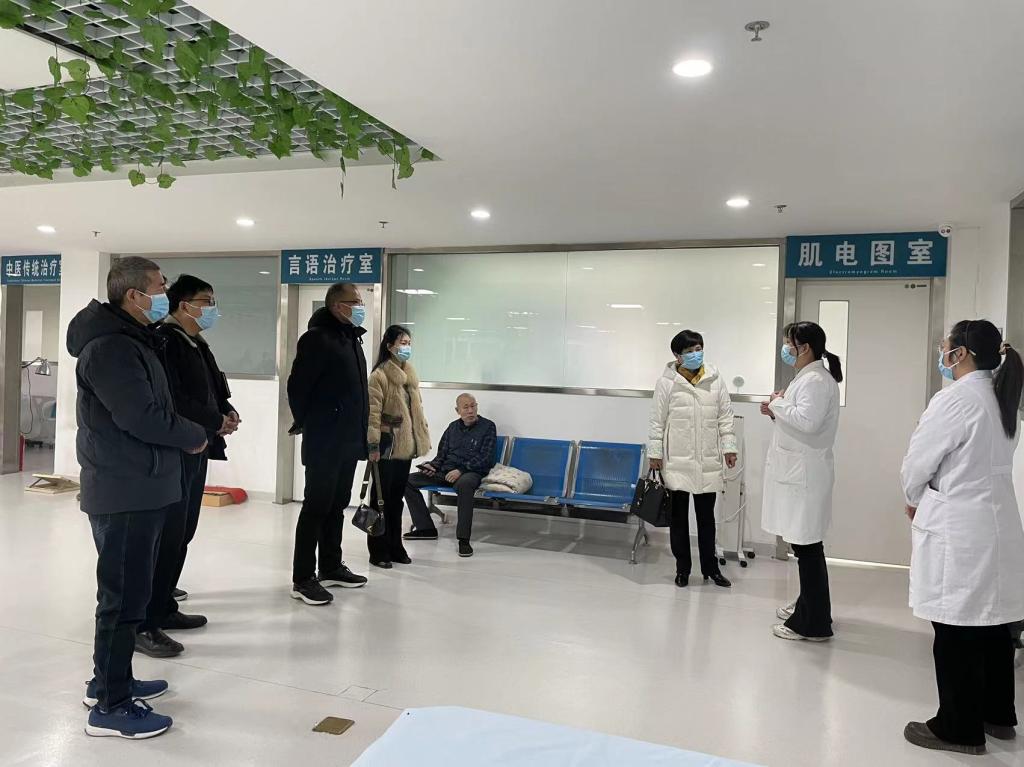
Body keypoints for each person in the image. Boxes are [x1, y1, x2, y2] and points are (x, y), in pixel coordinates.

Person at [67, 256, 208, 739]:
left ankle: (111, 681)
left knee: (130, 594)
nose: (165, 295)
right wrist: (194, 435)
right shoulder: (110, 348)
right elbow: (141, 416)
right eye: (160, 287)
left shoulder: (133, 340)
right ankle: (111, 707)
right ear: (134, 295)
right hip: (124, 489)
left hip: (140, 484)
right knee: (122, 599)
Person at [900, 320, 1024, 755]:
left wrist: (913, 497)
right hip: (996, 521)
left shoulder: (955, 399)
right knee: (992, 623)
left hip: (960, 525)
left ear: (962, 354)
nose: (942, 354)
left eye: (945, 347)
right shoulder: (1001, 396)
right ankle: (998, 716)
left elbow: (918, 462)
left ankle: (959, 727)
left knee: (955, 628)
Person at [131, 275, 240, 658]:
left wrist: (226, 412)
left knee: (182, 532)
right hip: (177, 447)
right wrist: (213, 419)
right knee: (167, 535)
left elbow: (210, 389)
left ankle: (164, 607)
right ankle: (144, 622)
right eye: (206, 301)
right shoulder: (168, 341)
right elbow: (174, 399)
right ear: (184, 305)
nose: (212, 308)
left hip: (198, 446)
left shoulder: (195, 343)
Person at [287, 282, 370, 606]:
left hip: (348, 440)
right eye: (355, 301)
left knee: (337, 505)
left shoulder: (351, 338)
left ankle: (331, 566)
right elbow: (298, 387)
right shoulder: (317, 339)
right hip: (325, 440)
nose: (360, 306)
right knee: (316, 507)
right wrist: (311, 422)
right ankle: (303, 578)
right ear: (338, 306)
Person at [760, 321, 842, 642]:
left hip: (805, 476)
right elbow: (799, 420)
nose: (785, 349)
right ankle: (810, 606)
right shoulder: (808, 377)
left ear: (804, 347)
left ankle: (813, 623)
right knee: (805, 547)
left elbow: (807, 421)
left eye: (788, 344)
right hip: (801, 473)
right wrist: (777, 410)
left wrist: (777, 402)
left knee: (808, 549)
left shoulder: (816, 381)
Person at [648, 330, 737, 588]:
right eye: (689, 351)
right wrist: (655, 454)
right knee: (678, 520)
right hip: (677, 460)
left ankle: (711, 569)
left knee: (707, 519)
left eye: (699, 349)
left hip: (707, 460)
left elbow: (725, 416)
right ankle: (683, 569)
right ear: (677, 356)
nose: (696, 354)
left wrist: (729, 448)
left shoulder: (715, 380)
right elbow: (657, 421)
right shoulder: (667, 383)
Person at [366, 325, 431, 568]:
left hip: (405, 446)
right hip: (385, 445)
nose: (406, 347)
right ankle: (378, 551)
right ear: (389, 345)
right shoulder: (379, 376)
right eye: (402, 343)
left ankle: (395, 546)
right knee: (380, 500)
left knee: (396, 499)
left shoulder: (409, 376)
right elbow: (372, 414)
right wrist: (373, 444)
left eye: (409, 343)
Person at [403, 393, 497, 557]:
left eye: (473, 406)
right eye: (465, 407)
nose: (470, 410)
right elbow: (441, 455)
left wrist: (461, 470)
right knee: (407, 481)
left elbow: (485, 458)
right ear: (457, 410)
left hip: (470, 472)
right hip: (445, 472)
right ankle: (426, 528)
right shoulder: (452, 428)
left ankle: (463, 540)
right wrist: (432, 466)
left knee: (465, 485)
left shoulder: (488, 427)